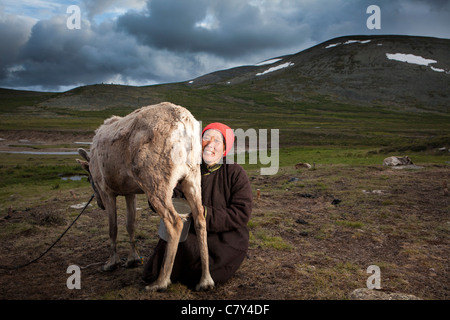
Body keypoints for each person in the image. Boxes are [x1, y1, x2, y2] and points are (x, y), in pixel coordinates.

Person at [142, 122, 253, 288]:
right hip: (191, 232)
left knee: (209, 268)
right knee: (157, 269)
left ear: (224, 149)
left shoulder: (235, 173)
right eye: (206, 139)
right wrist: (163, 191)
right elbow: (171, 202)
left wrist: (204, 212)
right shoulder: (186, 169)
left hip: (224, 237)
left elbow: (241, 212)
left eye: (217, 141)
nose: (210, 144)